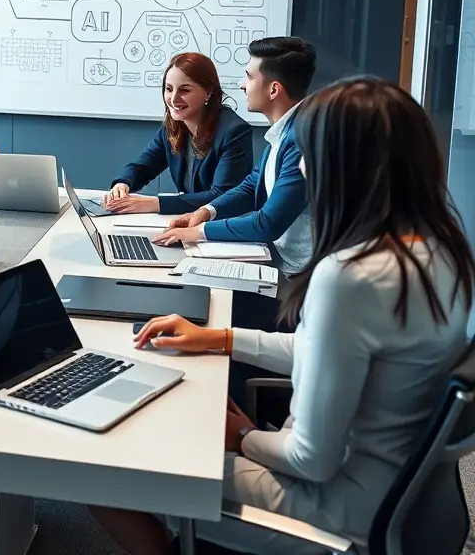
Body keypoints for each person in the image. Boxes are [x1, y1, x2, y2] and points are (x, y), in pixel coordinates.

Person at [92, 76, 475, 555]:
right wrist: (220, 338)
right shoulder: (441, 254)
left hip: (335, 505)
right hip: (395, 496)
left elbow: (310, 459)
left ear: (342, 165)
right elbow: (330, 351)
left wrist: (243, 436)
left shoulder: (352, 277)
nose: (304, 166)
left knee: (109, 469)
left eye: (309, 153)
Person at [154, 36, 316, 275]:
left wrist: (199, 232)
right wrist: (206, 212)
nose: (242, 84)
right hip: (283, 260)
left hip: (299, 273)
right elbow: (253, 184)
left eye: (249, 77)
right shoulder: (287, 128)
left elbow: (267, 224)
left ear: (273, 89)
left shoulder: (301, 138)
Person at [102, 52, 253, 215]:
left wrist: (155, 203)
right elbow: (142, 167)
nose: (173, 99)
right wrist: (123, 184)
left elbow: (223, 196)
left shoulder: (234, 131)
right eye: (169, 89)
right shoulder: (173, 126)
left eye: (184, 90)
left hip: (222, 227)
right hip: (190, 222)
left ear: (208, 92)